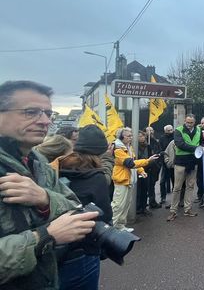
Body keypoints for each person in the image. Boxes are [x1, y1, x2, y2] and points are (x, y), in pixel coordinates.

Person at [0, 80, 98, 289]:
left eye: (47, 113)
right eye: (31, 112)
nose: (45, 121)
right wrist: (44, 237)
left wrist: (44, 198)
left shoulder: (39, 162)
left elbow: (75, 207)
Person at [50, 124, 112, 290]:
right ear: (100, 151)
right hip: (82, 252)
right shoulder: (96, 176)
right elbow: (104, 216)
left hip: (55, 250)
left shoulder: (57, 167)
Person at [111, 127, 157, 231]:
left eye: (131, 136)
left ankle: (120, 225)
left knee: (126, 204)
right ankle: (111, 228)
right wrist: (147, 161)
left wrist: (141, 171)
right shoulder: (118, 149)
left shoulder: (128, 147)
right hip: (121, 180)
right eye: (128, 136)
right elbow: (130, 163)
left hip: (128, 179)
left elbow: (134, 160)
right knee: (118, 205)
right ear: (121, 137)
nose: (131, 138)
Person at [168, 114, 200, 221]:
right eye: (187, 122)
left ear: (194, 122)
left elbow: (203, 143)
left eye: (191, 122)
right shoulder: (178, 130)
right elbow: (180, 144)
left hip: (193, 161)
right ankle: (173, 211)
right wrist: (196, 148)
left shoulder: (198, 130)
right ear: (184, 121)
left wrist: (202, 148)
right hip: (181, 162)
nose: (189, 124)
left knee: (190, 186)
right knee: (177, 188)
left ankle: (188, 209)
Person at [144, 126, 162, 209]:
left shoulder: (155, 141)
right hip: (146, 167)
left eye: (151, 130)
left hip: (155, 166)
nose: (150, 132)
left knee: (152, 185)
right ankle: (145, 203)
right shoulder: (144, 142)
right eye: (148, 131)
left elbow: (159, 151)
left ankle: (152, 201)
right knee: (145, 186)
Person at [159, 125, 175, 205]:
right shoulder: (162, 138)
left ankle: (175, 199)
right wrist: (165, 159)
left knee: (175, 181)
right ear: (165, 131)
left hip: (174, 162)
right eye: (168, 130)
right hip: (165, 162)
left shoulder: (175, 137)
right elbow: (161, 149)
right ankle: (163, 197)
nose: (170, 131)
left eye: (171, 130)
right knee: (162, 181)